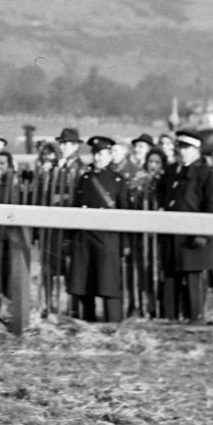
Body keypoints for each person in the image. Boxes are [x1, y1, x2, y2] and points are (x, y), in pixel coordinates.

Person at [155, 129, 213, 322]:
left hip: (192, 237)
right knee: (170, 278)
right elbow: (161, 193)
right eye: (180, 148)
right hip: (172, 233)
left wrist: (203, 233)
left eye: (186, 148)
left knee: (193, 280)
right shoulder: (172, 170)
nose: (182, 152)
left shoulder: (204, 173)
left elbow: (212, 205)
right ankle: (169, 318)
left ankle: (195, 318)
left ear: (196, 150)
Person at [67, 136, 131, 322]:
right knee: (85, 282)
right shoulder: (85, 178)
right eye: (95, 153)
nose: (98, 158)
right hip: (85, 238)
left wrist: (125, 242)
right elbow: (76, 206)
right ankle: (87, 321)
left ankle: (113, 322)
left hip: (108, 238)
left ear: (110, 156)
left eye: (102, 154)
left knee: (109, 282)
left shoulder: (118, 180)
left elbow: (125, 213)